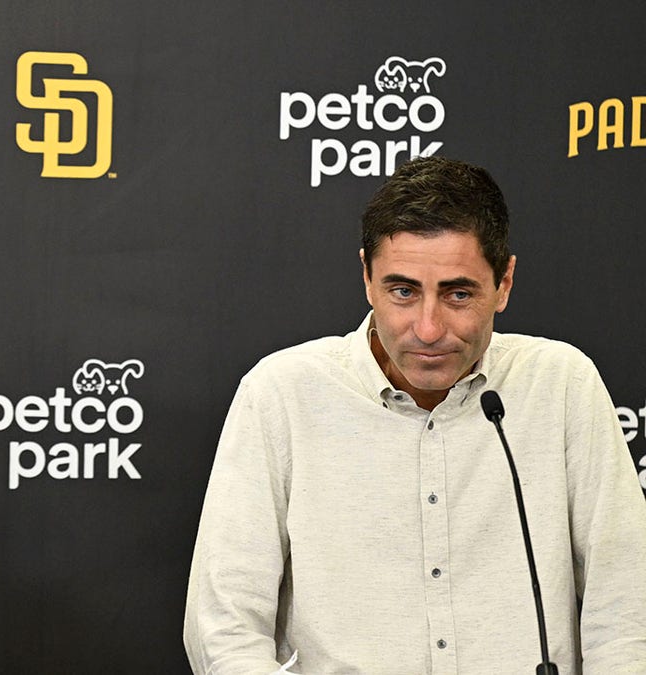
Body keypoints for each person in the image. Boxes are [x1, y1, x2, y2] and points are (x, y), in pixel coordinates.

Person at [183, 156, 646, 673]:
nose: (428, 328)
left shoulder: (561, 385)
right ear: (366, 277)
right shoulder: (283, 394)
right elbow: (223, 629)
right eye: (402, 291)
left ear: (505, 283)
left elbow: (628, 607)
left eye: (458, 293)